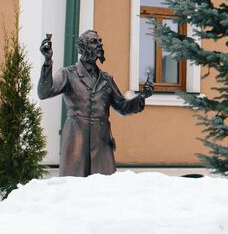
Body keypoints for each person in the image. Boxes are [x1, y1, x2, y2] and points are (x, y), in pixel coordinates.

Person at [38, 30, 153, 176]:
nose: (99, 45)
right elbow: (44, 93)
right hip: (76, 139)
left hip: (102, 142)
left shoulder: (106, 79)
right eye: (94, 42)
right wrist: (48, 62)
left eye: (99, 42)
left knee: (103, 188)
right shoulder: (68, 74)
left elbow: (122, 107)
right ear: (82, 47)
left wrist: (142, 96)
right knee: (74, 186)